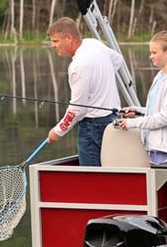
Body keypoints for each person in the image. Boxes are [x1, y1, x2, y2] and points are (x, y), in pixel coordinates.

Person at [47, 17, 125, 166]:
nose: (52, 45)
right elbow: (118, 60)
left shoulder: (77, 67)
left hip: (92, 127)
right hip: (113, 119)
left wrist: (58, 130)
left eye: (55, 41)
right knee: (111, 169)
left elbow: (78, 109)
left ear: (69, 38)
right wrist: (101, 81)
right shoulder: (93, 43)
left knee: (91, 176)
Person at [116, 31, 167, 164]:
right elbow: (158, 109)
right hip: (157, 149)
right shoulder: (160, 76)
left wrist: (132, 123)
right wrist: (138, 111)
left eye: (154, 52)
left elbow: (165, 117)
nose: (150, 56)